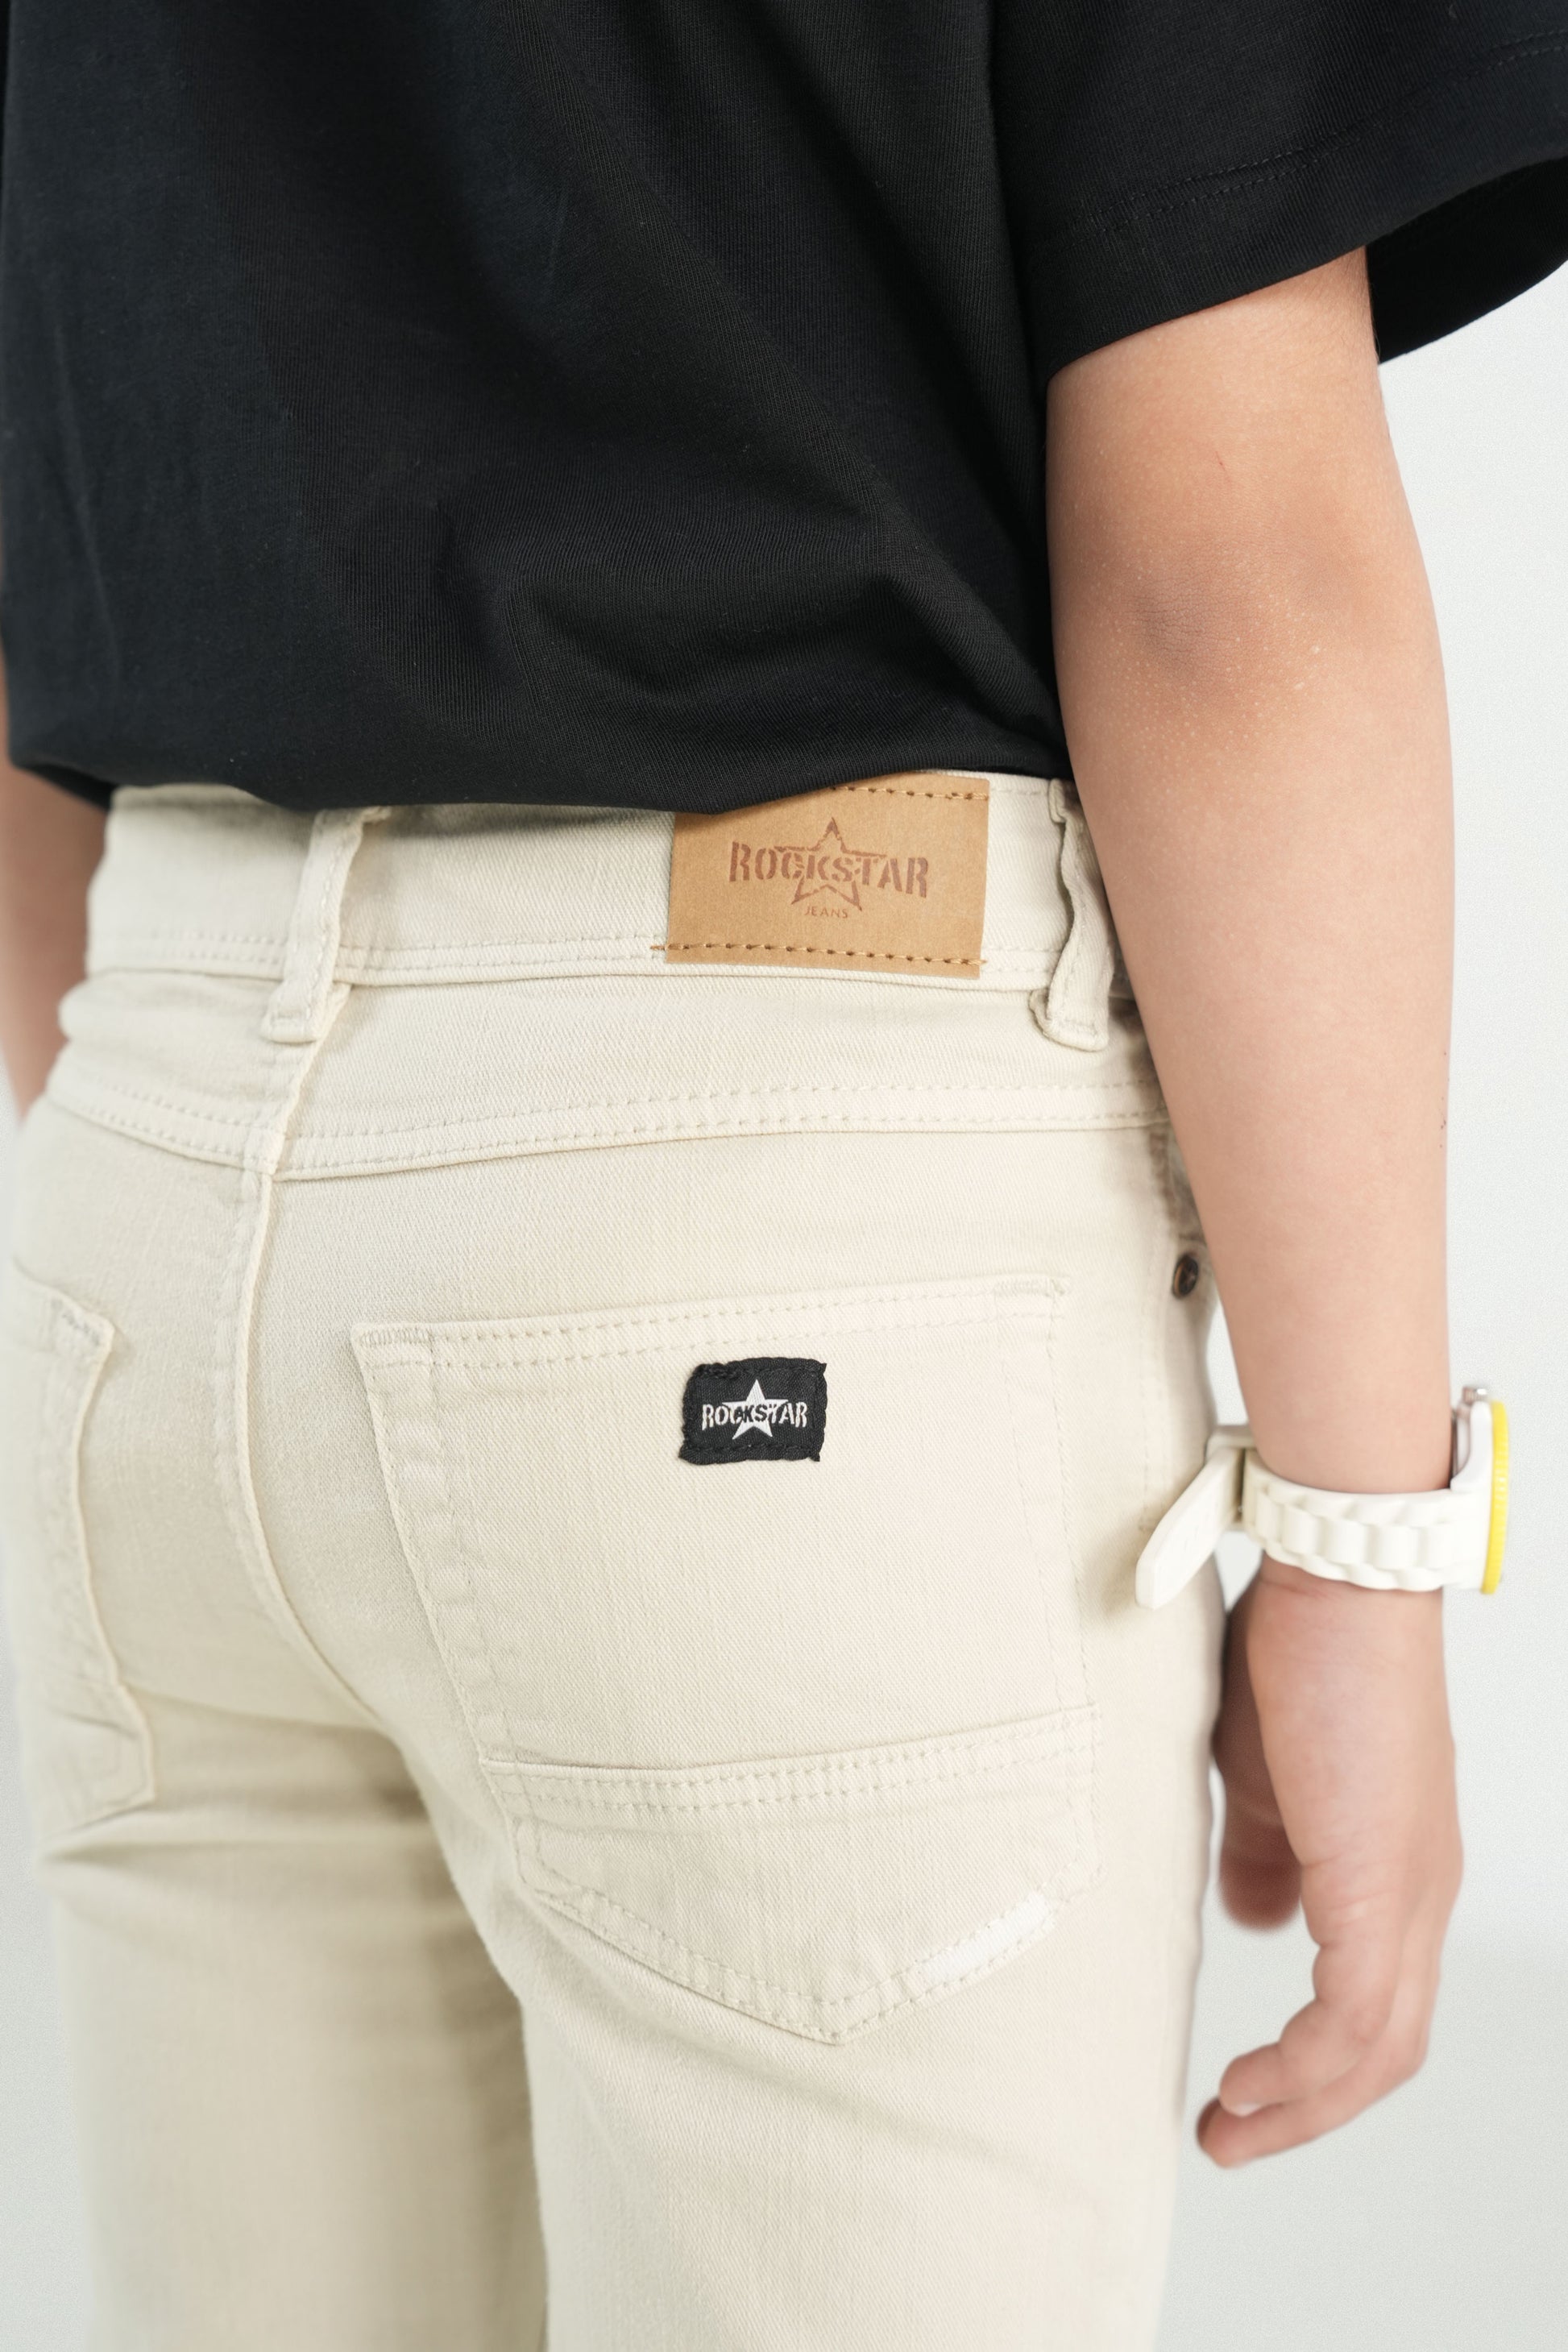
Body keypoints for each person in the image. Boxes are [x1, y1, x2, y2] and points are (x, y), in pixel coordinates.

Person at [0, 5, 1562, 2346]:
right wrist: (1361, 1540)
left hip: (147, 1181)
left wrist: (181, 1139)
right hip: (780, 1226)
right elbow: (1227, 583)